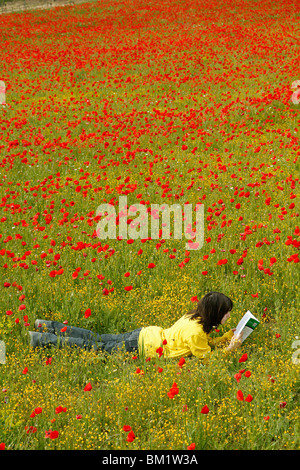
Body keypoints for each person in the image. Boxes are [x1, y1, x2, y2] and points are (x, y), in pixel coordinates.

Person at [28, 291, 242, 360]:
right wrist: (230, 349)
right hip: (140, 347)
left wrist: (224, 339)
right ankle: (42, 339)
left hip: (145, 334)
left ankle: (46, 326)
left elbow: (204, 343)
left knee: (98, 338)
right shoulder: (196, 332)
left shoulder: (193, 318)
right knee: (96, 348)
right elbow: (206, 356)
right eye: (226, 313)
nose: (229, 315)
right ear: (216, 314)